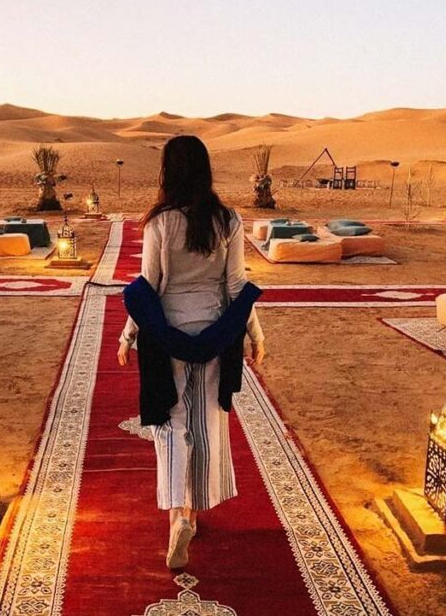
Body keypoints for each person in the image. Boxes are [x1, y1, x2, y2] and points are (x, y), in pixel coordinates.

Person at [117, 135, 266, 569]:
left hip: (167, 336)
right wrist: (255, 334)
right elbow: (236, 288)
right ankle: (193, 513)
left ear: (167, 171)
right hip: (216, 334)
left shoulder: (159, 222)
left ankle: (177, 515)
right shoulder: (227, 219)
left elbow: (149, 288)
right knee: (205, 426)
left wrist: (128, 335)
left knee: (170, 425)